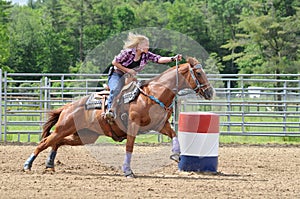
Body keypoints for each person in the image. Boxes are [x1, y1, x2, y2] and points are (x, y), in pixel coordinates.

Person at [105, 32, 182, 118]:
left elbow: (158, 59)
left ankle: (130, 112)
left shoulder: (146, 54)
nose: (148, 47)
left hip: (130, 77)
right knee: (116, 89)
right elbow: (114, 62)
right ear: (139, 46)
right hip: (117, 74)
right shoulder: (127, 52)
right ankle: (110, 110)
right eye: (146, 45)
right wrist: (128, 70)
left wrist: (172, 58)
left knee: (139, 92)